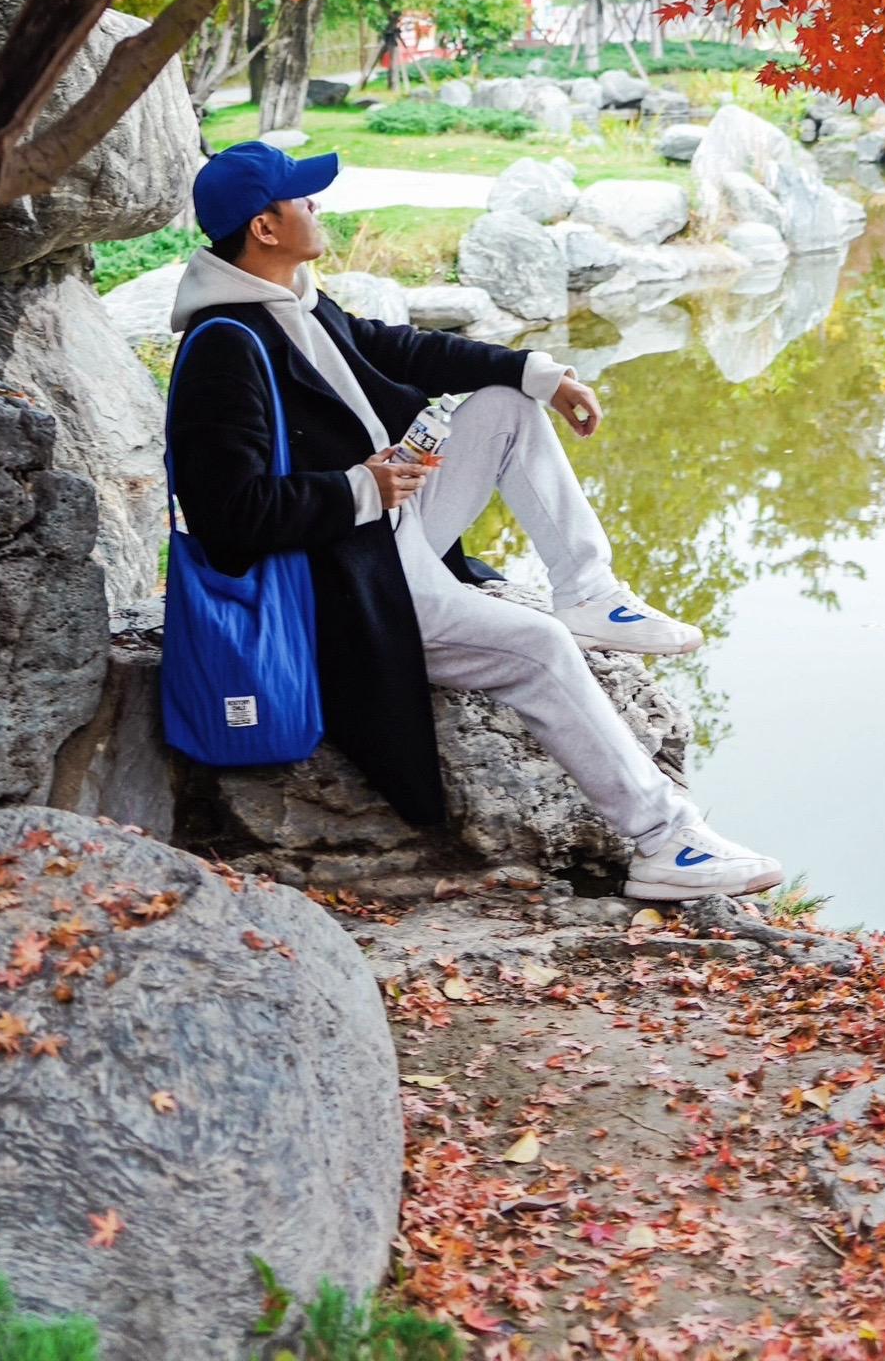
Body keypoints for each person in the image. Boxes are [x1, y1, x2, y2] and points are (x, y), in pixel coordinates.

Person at [167, 140, 784, 902]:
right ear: (265, 227)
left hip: (383, 536)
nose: (317, 207)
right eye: (304, 199)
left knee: (504, 408)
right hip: (343, 586)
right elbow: (226, 517)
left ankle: (587, 588)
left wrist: (538, 372)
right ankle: (666, 843)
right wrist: (360, 488)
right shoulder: (223, 348)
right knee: (539, 647)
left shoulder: (296, 303)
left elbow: (398, 347)